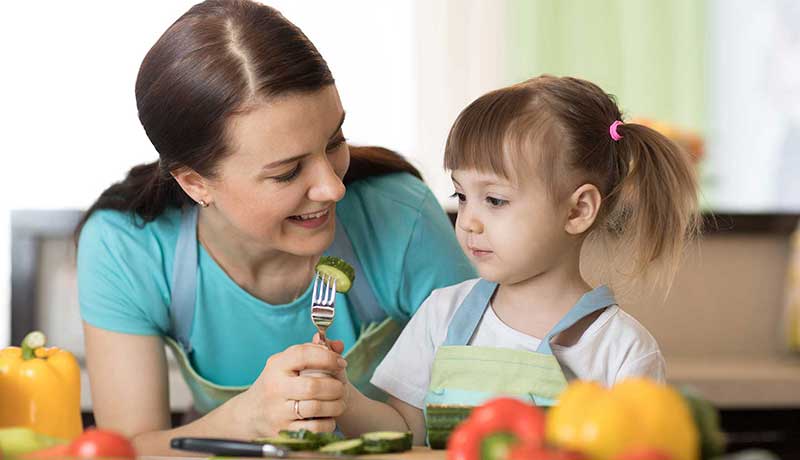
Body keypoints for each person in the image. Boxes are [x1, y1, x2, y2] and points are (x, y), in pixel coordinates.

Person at [74, 0, 475, 455]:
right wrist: (247, 418)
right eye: (287, 172)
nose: (332, 188)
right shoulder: (126, 247)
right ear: (195, 182)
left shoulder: (402, 217)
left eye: (335, 141)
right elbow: (126, 451)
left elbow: (483, 415)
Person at [332, 75, 701, 444]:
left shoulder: (623, 350)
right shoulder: (441, 314)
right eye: (461, 195)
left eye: (494, 200)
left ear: (577, 211)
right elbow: (405, 432)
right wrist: (342, 398)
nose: (469, 221)